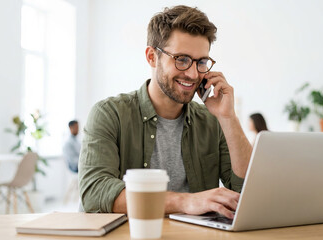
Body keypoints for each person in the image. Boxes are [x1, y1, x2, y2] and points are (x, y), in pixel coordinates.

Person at [79, 5, 252, 219]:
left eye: (201, 62)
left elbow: (246, 191)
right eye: (181, 59)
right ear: (152, 57)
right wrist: (186, 201)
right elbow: (95, 193)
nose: (192, 73)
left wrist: (228, 118)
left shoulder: (212, 121)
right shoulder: (109, 114)